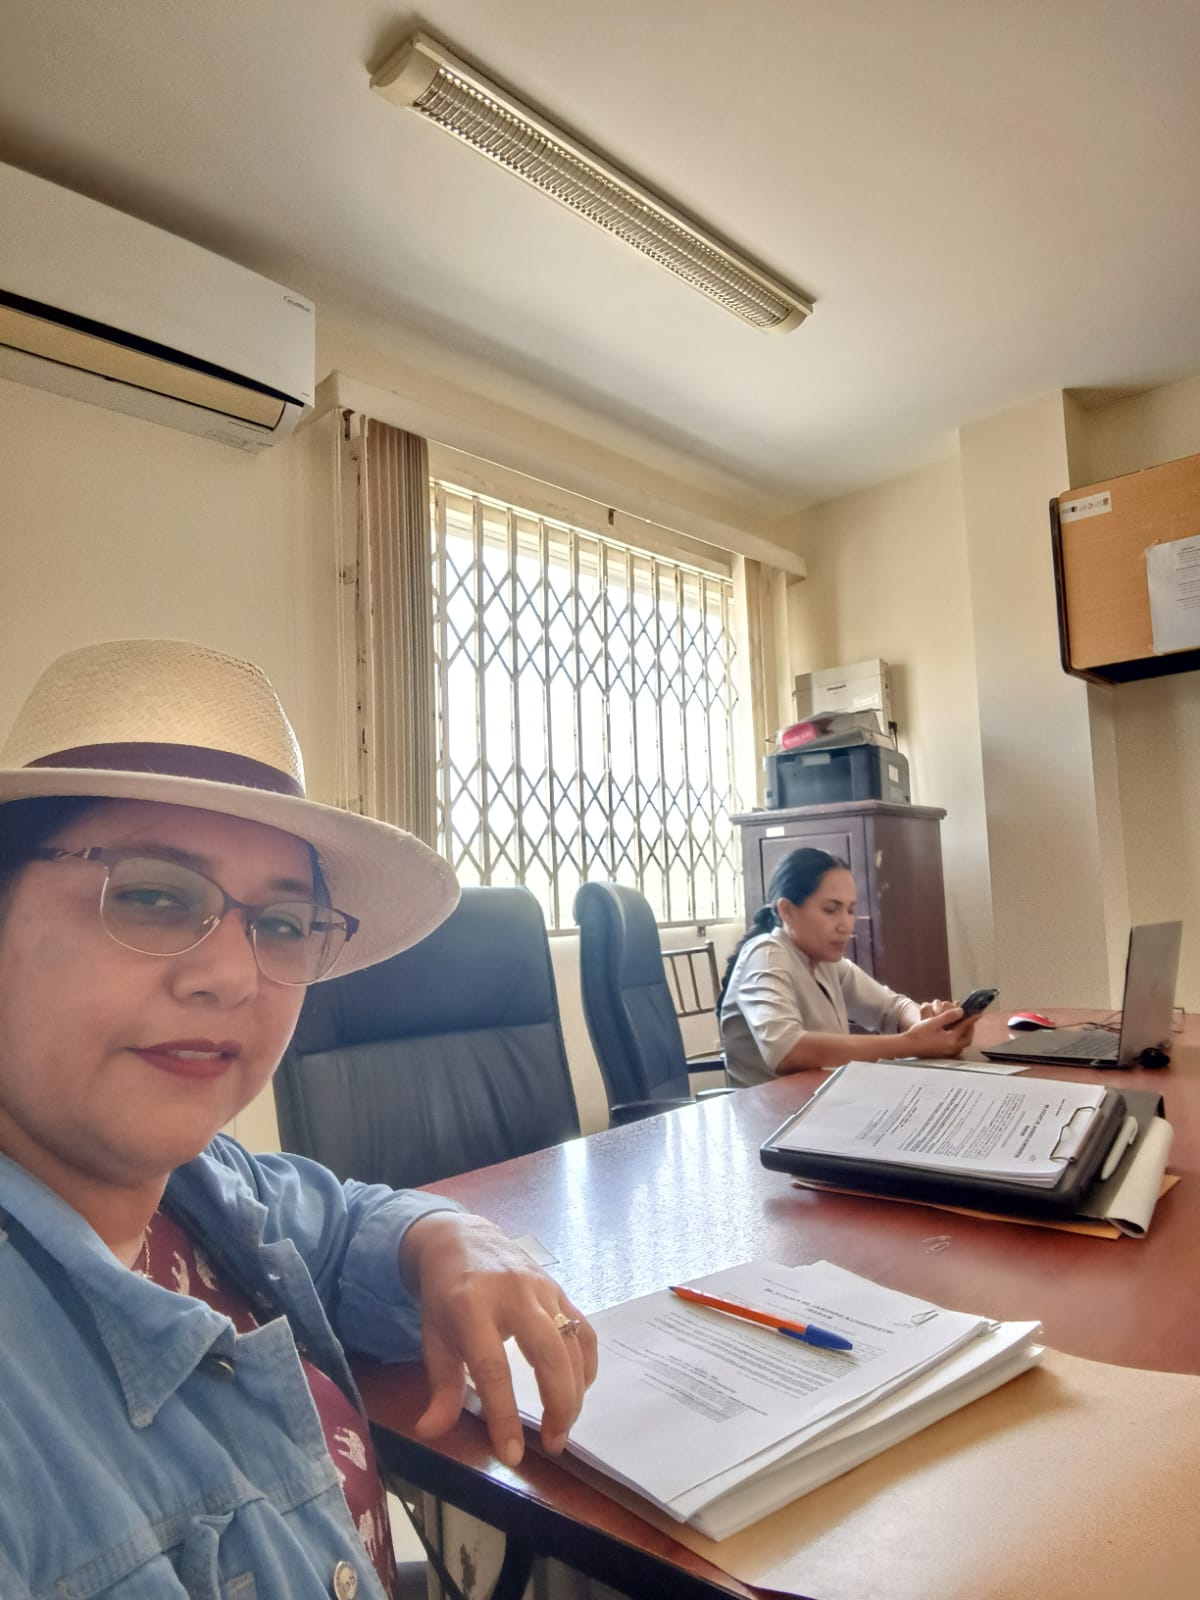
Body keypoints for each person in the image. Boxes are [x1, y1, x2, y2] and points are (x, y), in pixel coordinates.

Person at [0, 637, 597, 1600]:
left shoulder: (202, 1189)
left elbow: (347, 1222)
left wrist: (451, 1239)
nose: (234, 976)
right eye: (152, 896)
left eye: (279, 924)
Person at [718, 847, 976, 1085]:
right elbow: (787, 1050)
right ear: (787, 911)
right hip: (771, 1114)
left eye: (850, 911)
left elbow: (892, 1008)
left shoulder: (826, 963)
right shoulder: (765, 955)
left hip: (825, 1104)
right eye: (831, 910)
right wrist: (910, 1044)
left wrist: (929, 1023)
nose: (846, 925)